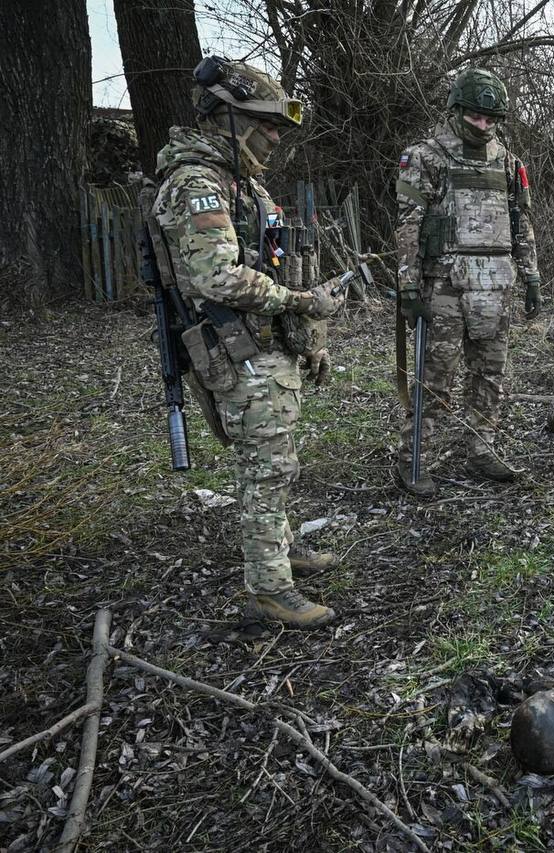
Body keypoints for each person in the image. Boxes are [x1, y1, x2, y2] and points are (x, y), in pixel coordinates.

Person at [151, 57, 347, 628]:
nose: (276, 136)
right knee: (265, 468)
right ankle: (268, 588)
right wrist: (301, 304)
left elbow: (271, 263)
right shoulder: (197, 185)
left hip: (264, 342)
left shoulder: (240, 182)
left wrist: (305, 335)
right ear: (230, 119)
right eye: (266, 124)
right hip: (233, 346)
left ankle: (281, 548)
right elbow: (218, 277)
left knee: (277, 461)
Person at [393, 67, 542, 497]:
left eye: (491, 119)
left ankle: (482, 446)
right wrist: (407, 287)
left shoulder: (509, 162)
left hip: (496, 286)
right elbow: (408, 222)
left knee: (490, 375)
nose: (484, 125)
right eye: (476, 117)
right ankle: (412, 460)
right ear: (457, 110)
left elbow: (521, 222)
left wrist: (531, 276)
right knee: (436, 378)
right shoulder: (426, 156)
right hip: (443, 286)